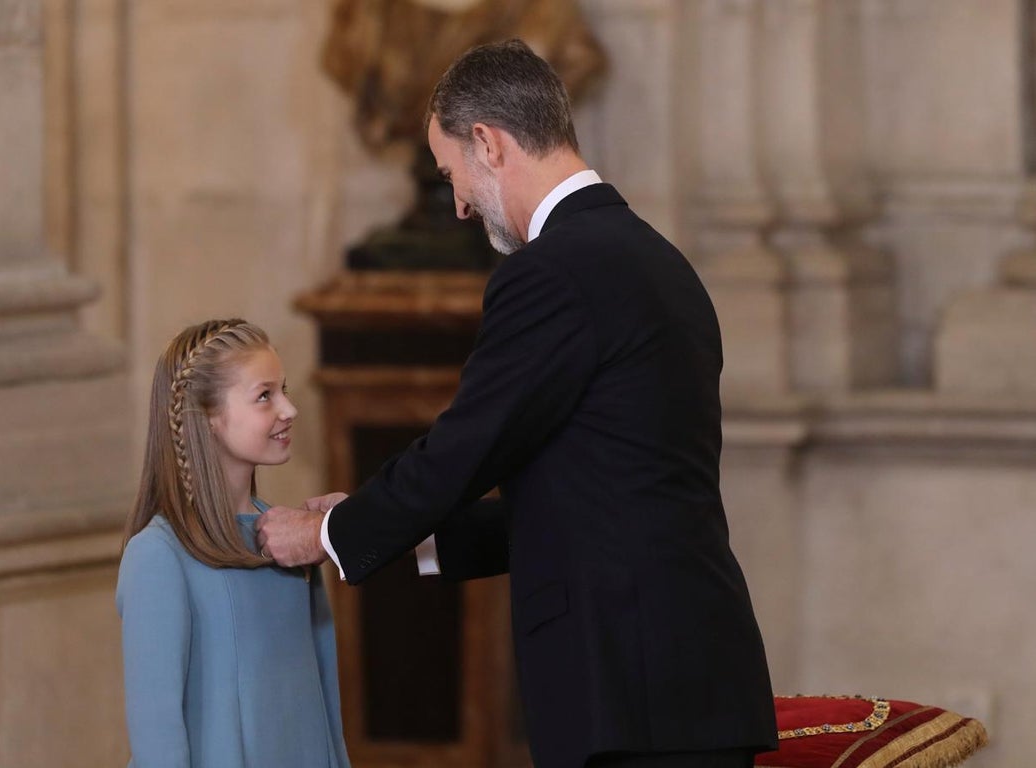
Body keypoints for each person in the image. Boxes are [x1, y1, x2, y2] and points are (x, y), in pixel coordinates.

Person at [257, 40, 778, 768]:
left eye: (452, 174)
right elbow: (598, 493)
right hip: (688, 680)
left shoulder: (552, 272)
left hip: (628, 691)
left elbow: (464, 447)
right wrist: (411, 534)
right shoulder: (659, 262)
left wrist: (328, 535)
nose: (461, 205)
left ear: (488, 143)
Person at [116, 319, 352, 768]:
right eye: (265, 396)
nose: (289, 409)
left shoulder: (290, 542)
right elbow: (157, 741)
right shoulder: (159, 556)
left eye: (283, 390)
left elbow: (326, 713)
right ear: (207, 417)